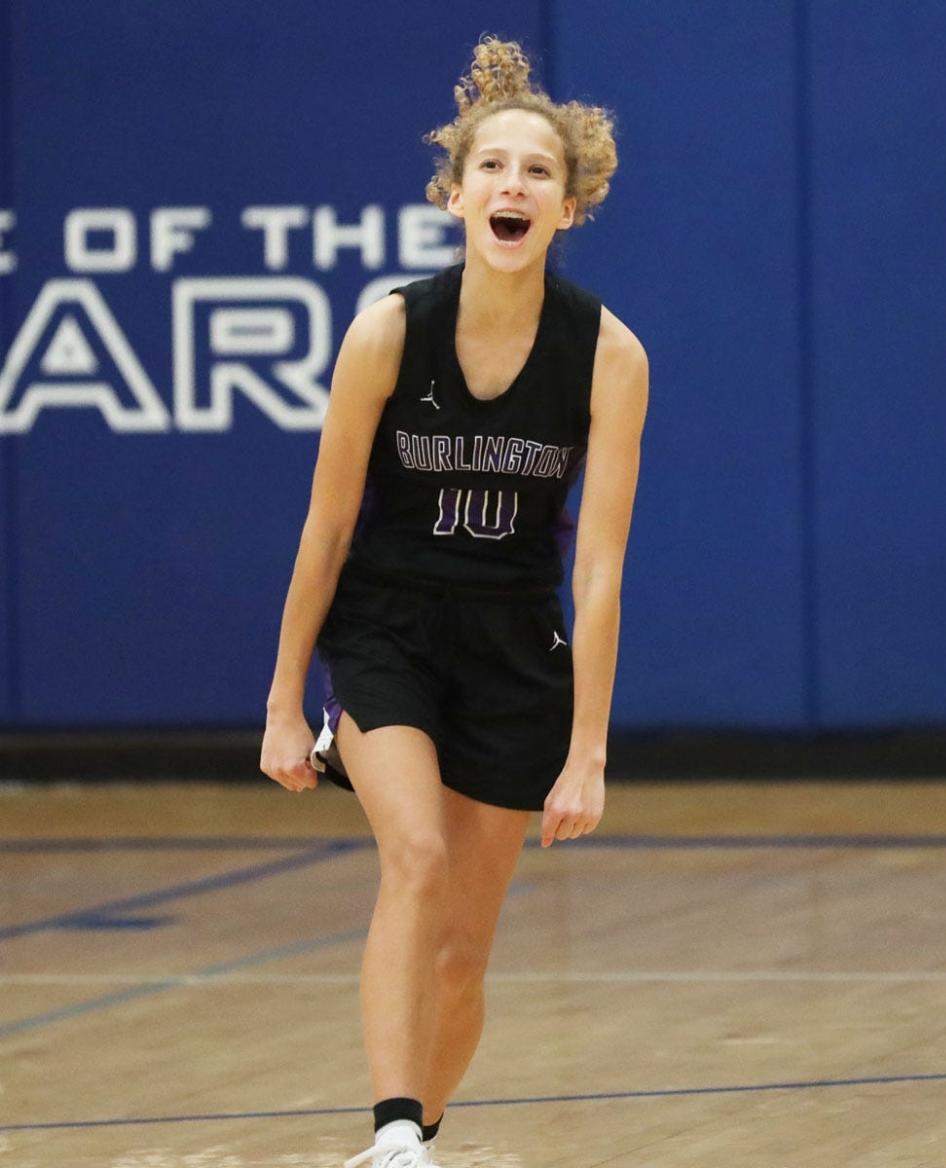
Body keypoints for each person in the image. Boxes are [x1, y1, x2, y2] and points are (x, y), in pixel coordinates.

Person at [260, 35, 649, 1168]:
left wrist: (590, 750)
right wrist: (286, 699)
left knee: (462, 955)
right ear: (454, 193)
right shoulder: (389, 328)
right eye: (493, 169)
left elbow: (603, 568)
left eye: (538, 173)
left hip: (514, 650)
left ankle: (421, 1133)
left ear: (569, 207)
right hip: (388, 632)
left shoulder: (608, 354)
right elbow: (326, 526)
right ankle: (389, 1139)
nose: (513, 187)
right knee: (415, 859)